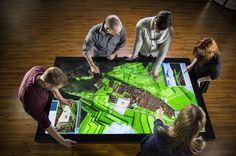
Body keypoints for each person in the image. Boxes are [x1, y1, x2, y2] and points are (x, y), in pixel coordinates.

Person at [18, 66, 77, 147]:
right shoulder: (32, 100)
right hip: (36, 106)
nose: (57, 89)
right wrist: (63, 141)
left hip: (43, 95)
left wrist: (62, 99)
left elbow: (53, 87)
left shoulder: (39, 70)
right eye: (57, 87)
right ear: (47, 85)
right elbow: (45, 123)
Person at [139, 105, 206, 156]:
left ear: (178, 121)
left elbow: (157, 122)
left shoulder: (160, 132)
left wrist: (159, 114)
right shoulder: (196, 146)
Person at [129, 10, 173, 80]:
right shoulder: (141, 24)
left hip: (156, 55)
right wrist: (133, 56)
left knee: (152, 71)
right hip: (143, 52)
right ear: (155, 22)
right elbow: (138, 41)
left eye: (163, 31)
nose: (160, 33)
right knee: (139, 73)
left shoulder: (169, 31)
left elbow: (163, 51)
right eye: (158, 30)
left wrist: (155, 70)